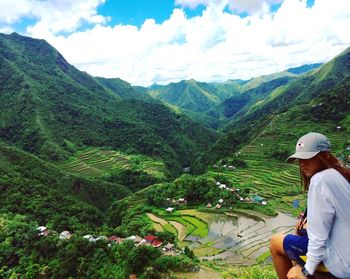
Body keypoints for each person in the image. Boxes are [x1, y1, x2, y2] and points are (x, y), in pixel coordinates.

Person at [270, 132, 350, 279]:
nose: (303, 164)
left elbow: (318, 237)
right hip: (344, 252)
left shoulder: (320, 179)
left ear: (325, 156)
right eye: (300, 160)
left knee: (275, 242)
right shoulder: (339, 175)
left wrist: (306, 271)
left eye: (308, 158)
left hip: (341, 263)